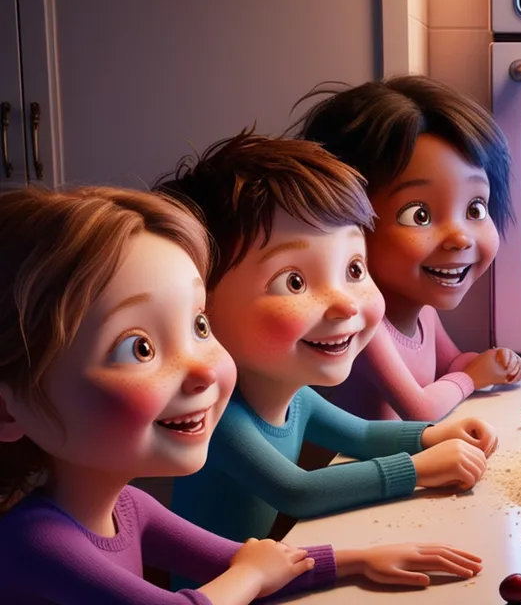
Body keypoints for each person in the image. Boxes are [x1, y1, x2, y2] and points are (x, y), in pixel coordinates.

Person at [0, 186, 482, 604]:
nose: (202, 369)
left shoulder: (128, 505)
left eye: (198, 325)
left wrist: (359, 561)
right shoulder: (33, 540)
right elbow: (240, 574)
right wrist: (252, 575)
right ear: (7, 408)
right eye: (140, 348)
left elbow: (244, 560)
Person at [155, 133, 496, 551]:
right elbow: (297, 490)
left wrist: (432, 435)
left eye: (354, 269)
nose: (344, 304)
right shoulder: (218, 417)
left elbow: (364, 436)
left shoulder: (296, 398)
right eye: (294, 282)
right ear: (201, 306)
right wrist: (418, 469)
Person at [291, 75, 521, 423]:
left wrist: (486, 365)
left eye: (475, 209)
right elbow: (418, 409)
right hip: (352, 470)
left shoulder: (422, 308)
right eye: (420, 215)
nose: (459, 238)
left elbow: (449, 365)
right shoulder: (361, 322)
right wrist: (472, 378)